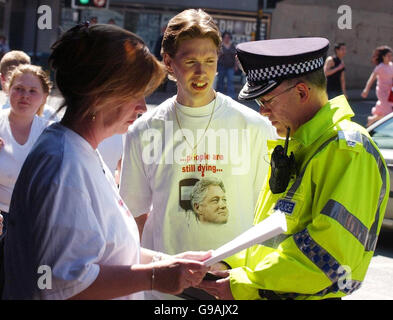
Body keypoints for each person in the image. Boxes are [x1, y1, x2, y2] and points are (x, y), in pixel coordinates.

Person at [2, 23, 210, 300]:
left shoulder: (79, 150)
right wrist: (155, 276)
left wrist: (168, 262)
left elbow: (109, 252)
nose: (141, 106)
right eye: (134, 93)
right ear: (100, 94)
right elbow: (65, 284)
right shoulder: (63, 166)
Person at [198, 37, 389, 300]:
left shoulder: (349, 151)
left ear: (301, 92)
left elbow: (329, 259)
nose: (263, 112)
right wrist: (228, 264)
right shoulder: (297, 143)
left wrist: (245, 284)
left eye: (266, 101)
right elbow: (270, 237)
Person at [119, 9, 275, 299]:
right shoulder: (143, 131)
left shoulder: (256, 127)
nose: (202, 72)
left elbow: (268, 216)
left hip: (234, 285)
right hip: (165, 288)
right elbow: (134, 218)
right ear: (168, 63)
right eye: (190, 62)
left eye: (210, 61)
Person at [0, 64, 52, 297]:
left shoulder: (51, 133)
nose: (24, 96)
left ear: (44, 97)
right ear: (7, 89)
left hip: (31, 225)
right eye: (19, 88)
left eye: (33, 91)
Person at [0, 51, 59, 121]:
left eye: (32, 90)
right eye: (18, 88)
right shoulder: (49, 113)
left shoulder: (48, 114)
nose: (25, 95)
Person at [361, 45, 393, 126]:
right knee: (389, 112)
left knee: (387, 111)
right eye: (388, 55)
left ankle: (372, 119)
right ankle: (373, 120)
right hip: (382, 92)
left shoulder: (391, 65)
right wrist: (366, 90)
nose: (390, 57)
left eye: (391, 55)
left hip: (390, 91)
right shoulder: (380, 67)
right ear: (383, 56)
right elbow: (372, 79)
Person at [216, 31, 237, 99]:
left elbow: (235, 57)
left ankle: (231, 96)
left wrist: (236, 66)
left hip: (230, 67)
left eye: (228, 37)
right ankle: (220, 96)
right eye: (225, 37)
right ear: (223, 38)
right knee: (220, 81)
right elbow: (217, 56)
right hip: (221, 66)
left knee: (230, 81)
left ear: (230, 38)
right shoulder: (220, 46)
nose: (226, 39)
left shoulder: (232, 46)